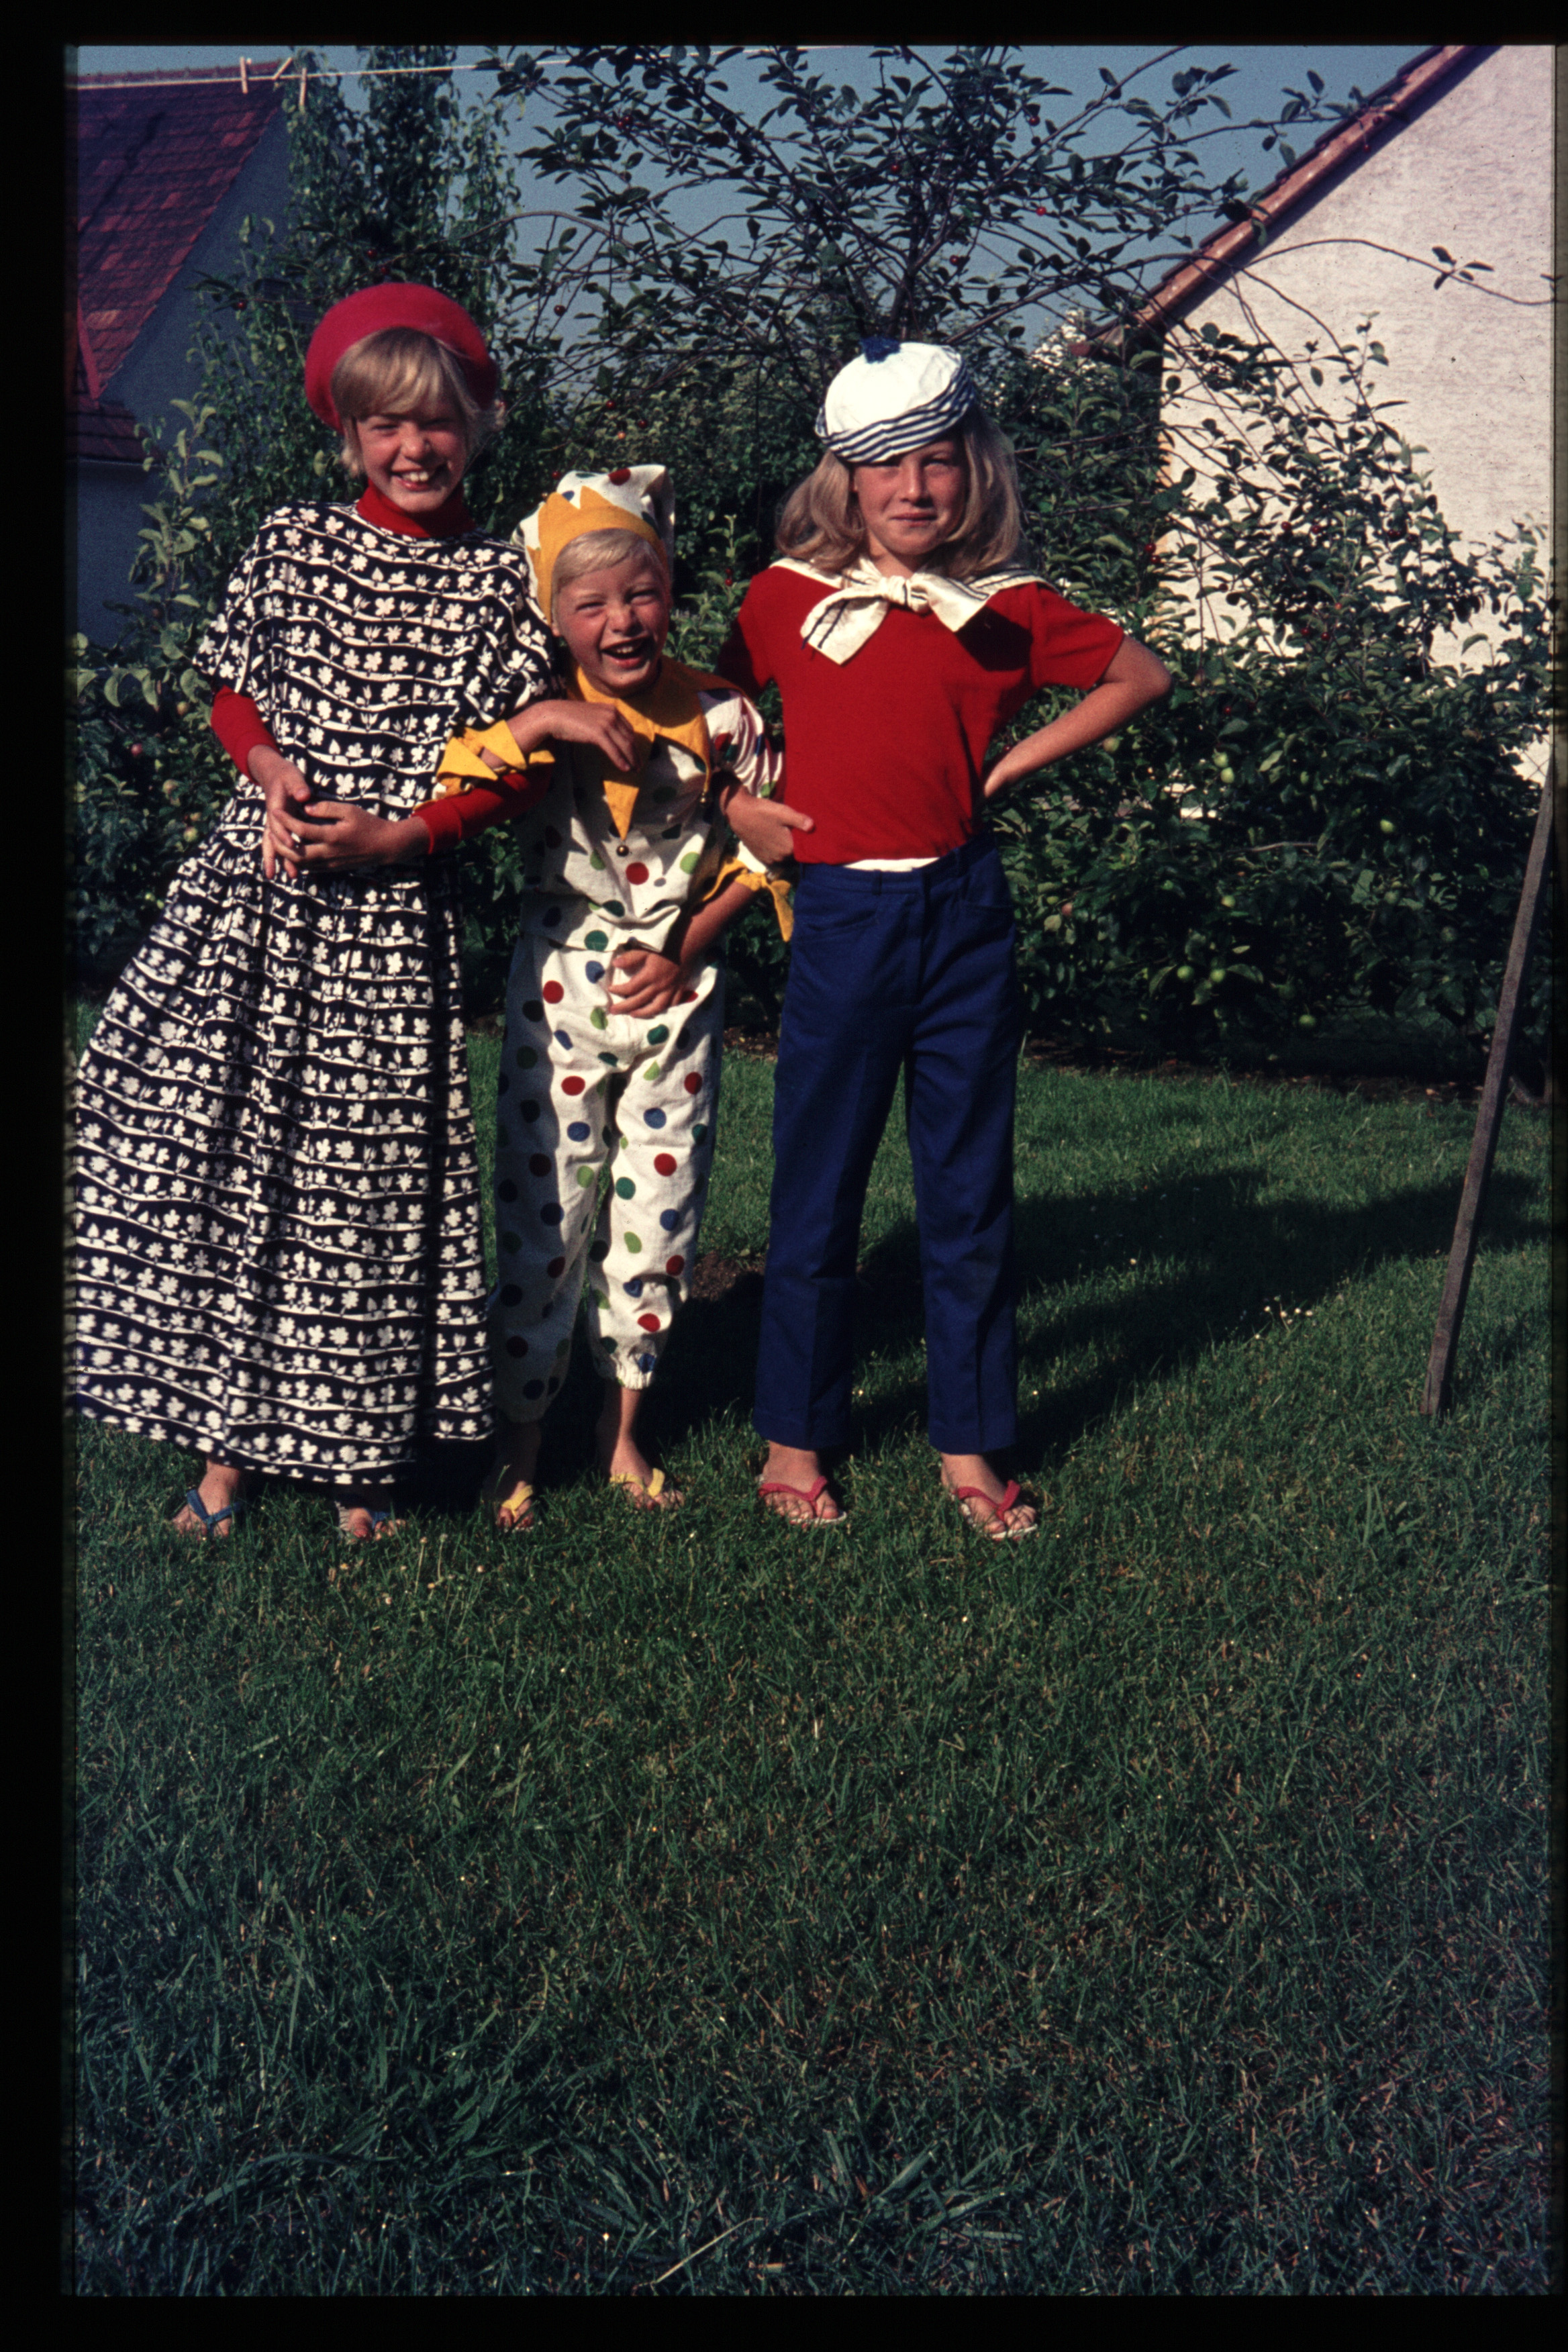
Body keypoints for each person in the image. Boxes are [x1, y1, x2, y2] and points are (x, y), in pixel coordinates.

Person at [72, 283, 561, 1542]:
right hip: (257, 900)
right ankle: (225, 1457)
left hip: (388, 926)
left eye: (436, 422)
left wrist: (407, 835)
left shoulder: (504, 583)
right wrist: (268, 771)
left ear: (477, 425)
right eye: (384, 426)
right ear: (347, 438)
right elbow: (233, 687)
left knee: (368, 1193)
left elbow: (516, 767)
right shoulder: (293, 542)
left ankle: (360, 1463)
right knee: (231, 1164)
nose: (413, 448)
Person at [714, 339, 1173, 1534]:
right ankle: (795, 1437)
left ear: (976, 470)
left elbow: (1140, 674)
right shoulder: (782, 599)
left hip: (964, 915)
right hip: (843, 917)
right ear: (846, 480)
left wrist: (1012, 764)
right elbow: (701, 717)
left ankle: (971, 1444)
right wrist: (735, 805)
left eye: (939, 463)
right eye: (888, 467)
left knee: (968, 1195)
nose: (914, 489)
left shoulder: (1007, 610)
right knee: (819, 1187)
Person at [415, 467, 790, 1531]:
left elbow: (772, 848)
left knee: (657, 1222)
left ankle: (620, 1432)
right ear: (555, 616)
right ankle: (519, 1439)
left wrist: (686, 946)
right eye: (591, 604)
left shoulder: (721, 714)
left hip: (679, 993)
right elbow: (448, 776)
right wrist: (546, 720)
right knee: (543, 1221)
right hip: (559, 992)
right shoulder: (534, 711)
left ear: (670, 592)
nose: (622, 621)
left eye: (643, 593)